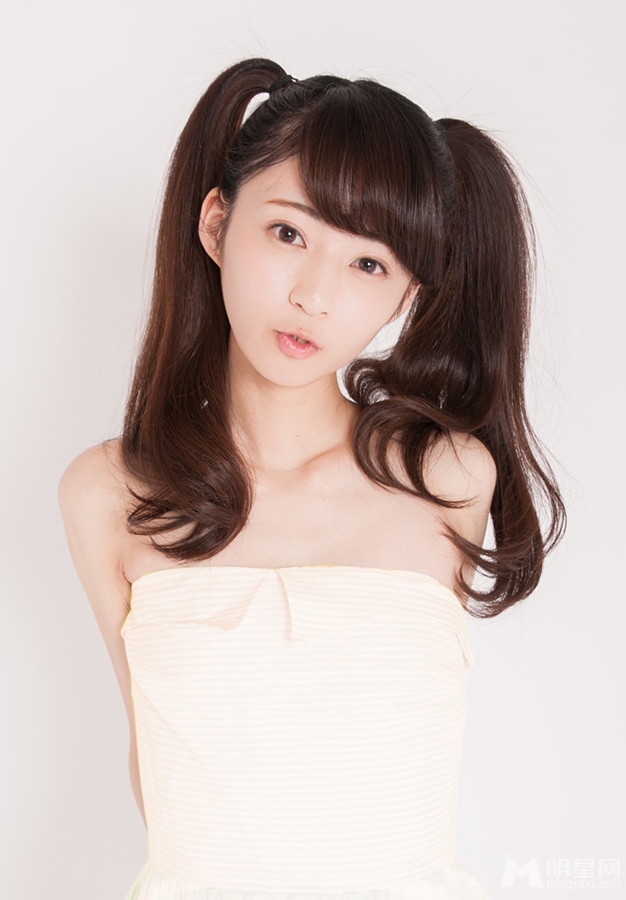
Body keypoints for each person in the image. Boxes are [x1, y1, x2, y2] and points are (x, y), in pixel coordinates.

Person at [58, 58, 566, 900]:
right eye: (289, 234)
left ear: (408, 293)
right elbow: (158, 770)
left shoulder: (447, 477)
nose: (315, 296)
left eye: (369, 264)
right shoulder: (107, 494)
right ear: (216, 223)